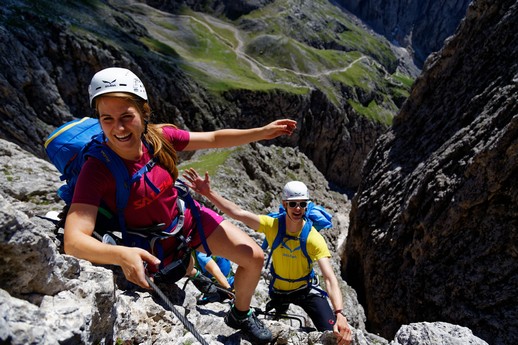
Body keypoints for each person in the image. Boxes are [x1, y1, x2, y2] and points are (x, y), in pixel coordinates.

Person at [63, 67, 297, 343]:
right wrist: (120, 255)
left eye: (127, 116)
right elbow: (73, 241)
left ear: (144, 113)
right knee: (191, 269)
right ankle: (195, 274)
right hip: (151, 242)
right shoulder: (97, 168)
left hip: (186, 220)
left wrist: (261, 132)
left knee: (254, 257)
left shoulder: (159, 137)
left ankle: (240, 314)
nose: (119, 128)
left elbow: (213, 138)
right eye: (107, 119)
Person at [183, 168, 353, 345]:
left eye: (302, 204)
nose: (298, 208)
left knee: (334, 334)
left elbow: (329, 277)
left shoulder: (313, 238)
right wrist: (209, 193)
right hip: (279, 291)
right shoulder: (272, 225)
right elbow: (238, 213)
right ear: (284, 204)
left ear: (307, 206)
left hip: (305, 291)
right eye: (293, 203)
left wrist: (339, 313)